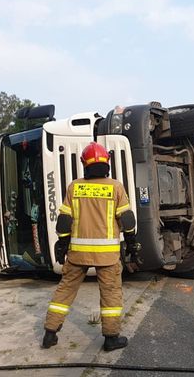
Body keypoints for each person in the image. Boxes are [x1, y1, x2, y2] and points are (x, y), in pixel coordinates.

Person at [42, 142, 138, 351]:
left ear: (84, 163)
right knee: (111, 294)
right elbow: (128, 220)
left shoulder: (75, 187)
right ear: (107, 162)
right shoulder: (115, 187)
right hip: (108, 257)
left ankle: (50, 333)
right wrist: (132, 243)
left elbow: (64, 222)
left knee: (65, 291)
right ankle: (111, 339)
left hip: (77, 254)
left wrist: (62, 244)